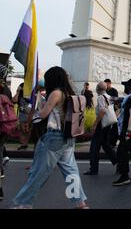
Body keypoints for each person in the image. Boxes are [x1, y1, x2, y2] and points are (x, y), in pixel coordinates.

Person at [12, 66, 88, 209]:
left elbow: (43, 114)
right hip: (68, 137)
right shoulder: (69, 92)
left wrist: (33, 110)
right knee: (71, 172)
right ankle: (79, 203)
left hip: (54, 137)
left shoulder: (56, 93)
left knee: (38, 173)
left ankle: (24, 203)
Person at [84, 82, 118, 175]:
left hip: (101, 124)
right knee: (106, 145)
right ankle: (118, 163)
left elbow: (102, 111)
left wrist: (95, 124)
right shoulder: (108, 96)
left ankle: (93, 169)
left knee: (94, 147)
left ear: (98, 88)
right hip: (107, 124)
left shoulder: (100, 97)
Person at [13, 83, 31, 150]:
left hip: (30, 114)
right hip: (22, 115)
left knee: (28, 130)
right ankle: (24, 144)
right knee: (22, 130)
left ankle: (26, 144)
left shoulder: (31, 93)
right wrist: (18, 92)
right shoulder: (20, 95)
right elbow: (14, 100)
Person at [104, 79, 119, 148]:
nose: (106, 86)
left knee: (114, 127)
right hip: (106, 111)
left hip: (113, 111)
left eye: (107, 84)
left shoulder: (114, 91)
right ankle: (107, 141)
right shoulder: (105, 91)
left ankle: (113, 142)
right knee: (107, 128)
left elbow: (116, 100)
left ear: (110, 83)